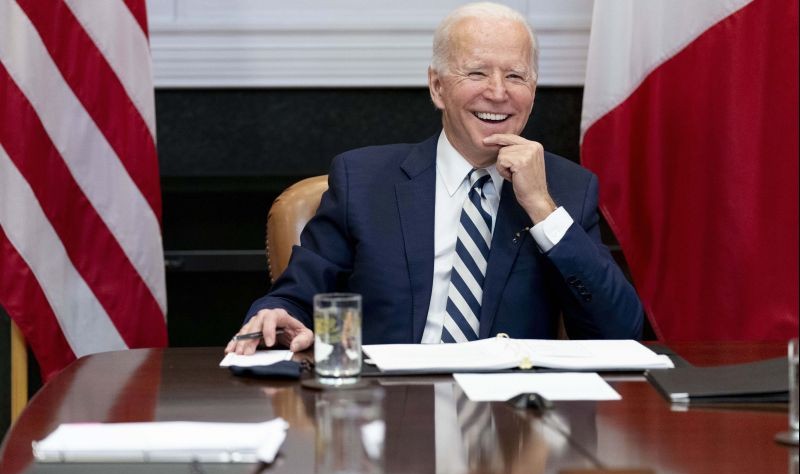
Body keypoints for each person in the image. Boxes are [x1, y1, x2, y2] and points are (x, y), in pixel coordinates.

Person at [227, 2, 643, 355]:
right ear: (437, 87)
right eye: (477, 73)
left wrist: (542, 208)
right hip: (387, 413)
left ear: (533, 88)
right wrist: (278, 316)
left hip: (510, 426)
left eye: (515, 76)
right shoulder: (364, 181)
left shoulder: (567, 188)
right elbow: (296, 297)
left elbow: (619, 333)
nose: (498, 92)